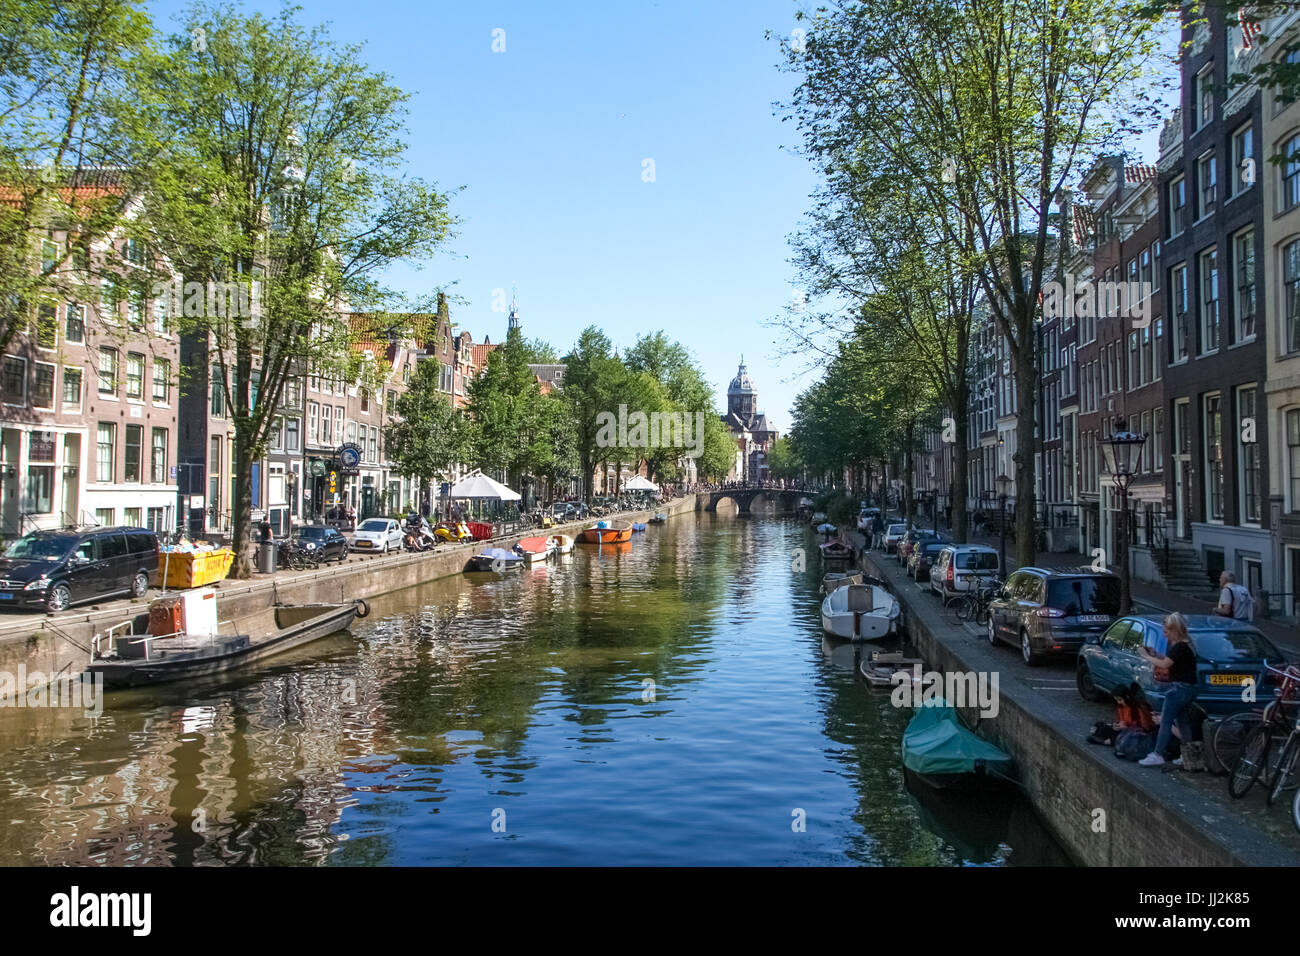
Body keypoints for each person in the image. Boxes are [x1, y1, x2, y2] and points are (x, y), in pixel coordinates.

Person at [1137, 613, 1199, 767]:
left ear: (1174, 630)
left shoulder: (1179, 646)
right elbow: (1171, 660)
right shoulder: (1187, 644)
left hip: (1179, 689)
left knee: (1165, 721)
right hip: (1190, 688)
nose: (1165, 635)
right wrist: (1156, 654)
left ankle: (1157, 754)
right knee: (1182, 723)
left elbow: (1165, 665)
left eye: (1166, 632)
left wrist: (1146, 656)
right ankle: (1188, 755)